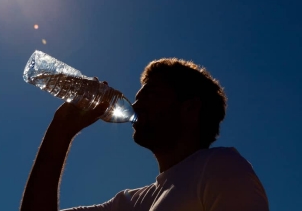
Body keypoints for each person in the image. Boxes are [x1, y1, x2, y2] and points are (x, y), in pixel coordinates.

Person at [20, 58, 269, 211]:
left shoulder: (220, 167)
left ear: (190, 108)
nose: (136, 106)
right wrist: (60, 132)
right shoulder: (130, 203)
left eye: (150, 96)